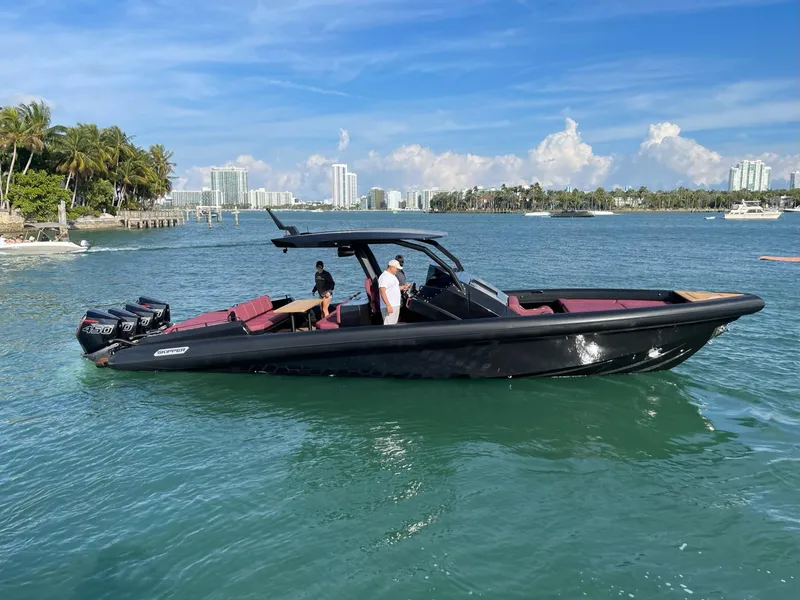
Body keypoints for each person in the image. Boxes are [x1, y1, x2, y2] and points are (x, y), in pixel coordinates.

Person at [378, 259, 403, 325]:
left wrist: (403, 287)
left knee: (393, 325)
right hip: (390, 306)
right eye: (396, 268)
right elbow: (382, 291)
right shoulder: (384, 277)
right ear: (391, 267)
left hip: (395, 305)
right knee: (389, 325)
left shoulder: (392, 276)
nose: (397, 270)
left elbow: (393, 288)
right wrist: (388, 305)